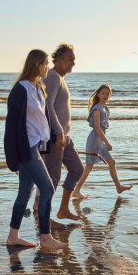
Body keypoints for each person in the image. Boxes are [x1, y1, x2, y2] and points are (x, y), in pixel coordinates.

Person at [4, 49, 69, 250]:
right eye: (46, 64)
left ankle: (13, 236)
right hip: (27, 149)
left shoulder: (38, 87)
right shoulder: (20, 89)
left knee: (24, 193)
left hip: (36, 147)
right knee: (47, 188)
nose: (48, 68)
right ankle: (45, 237)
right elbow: (11, 126)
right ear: (37, 64)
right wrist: (12, 159)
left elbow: (41, 119)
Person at [33, 43, 84, 222]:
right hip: (56, 137)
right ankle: (43, 219)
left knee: (77, 168)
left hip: (64, 137)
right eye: (70, 59)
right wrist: (59, 133)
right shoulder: (53, 77)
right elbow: (48, 106)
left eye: (74, 60)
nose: (73, 63)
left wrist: (64, 134)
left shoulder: (59, 78)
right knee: (52, 177)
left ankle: (63, 210)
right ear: (59, 59)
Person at [72, 84, 133, 198]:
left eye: (107, 93)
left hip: (100, 139)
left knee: (112, 162)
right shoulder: (97, 109)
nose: (105, 95)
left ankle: (118, 187)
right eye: (103, 93)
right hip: (95, 140)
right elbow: (97, 128)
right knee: (89, 167)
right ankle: (76, 191)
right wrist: (107, 142)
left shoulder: (105, 109)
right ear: (98, 94)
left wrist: (104, 141)